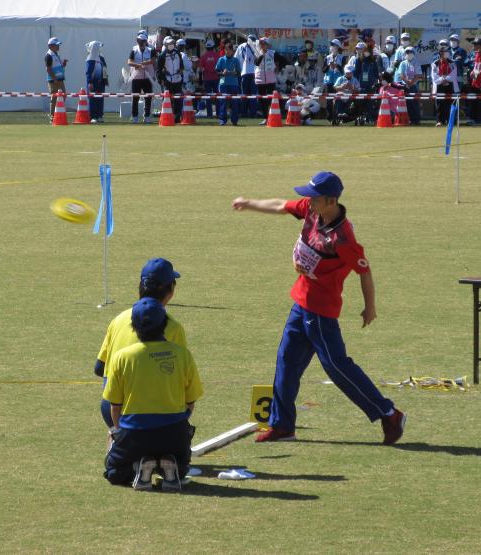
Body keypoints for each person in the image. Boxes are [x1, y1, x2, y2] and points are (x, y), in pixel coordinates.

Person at [231, 172, 406, 445]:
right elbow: (280, 205)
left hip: (322, 311)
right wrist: (248, 202)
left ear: (331, 200)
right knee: (285, 363)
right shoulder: (311, 211)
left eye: (314, 197)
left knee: (337, 366)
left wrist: (369, 307)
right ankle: (283, 425)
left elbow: (364, 271)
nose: (307, 201)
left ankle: (388, 413)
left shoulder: (343, 238)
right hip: (300, 303)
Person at [103, 297, 203, 490]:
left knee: (113, 471)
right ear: (165, 324)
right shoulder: (182, 354)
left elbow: (114, 407)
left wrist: (118, 432)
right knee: (182, 466)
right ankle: (169, 465)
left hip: (135, 433)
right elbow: (191, 402)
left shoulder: (122, 357)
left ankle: (140, 464)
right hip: (175, 432)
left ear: (133, 326)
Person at [95, 259, 187, 442]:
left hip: (111, 409)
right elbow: (182, 378)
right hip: (151, 415)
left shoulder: (118, 320)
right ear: (170, 291)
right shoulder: (174, 328)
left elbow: (99, 368)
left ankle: (117, 445)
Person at [254, 37, 287, 125]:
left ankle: (272, 116)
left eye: (264, 44)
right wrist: (262, 55)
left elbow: (284, 60)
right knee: (261, 100)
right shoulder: (257, 52)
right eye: (261, 44)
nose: (262, 45)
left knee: (269, 99)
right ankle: (265, 118)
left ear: (267, 45)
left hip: (270, 80)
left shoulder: (273, 53)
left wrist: (279, 68)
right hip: (259, 80)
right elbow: (256, 63)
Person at [347, 42, 382, 124]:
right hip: (361, 86)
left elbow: (376, 74)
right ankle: (361, 117)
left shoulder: (373, 61)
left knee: (370, 103)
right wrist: (355, 85)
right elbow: (356, 73)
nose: (367, 53)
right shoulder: (359, 60)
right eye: (365, 51)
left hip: (371, 86)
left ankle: (369, 118)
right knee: (360, 102)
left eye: (368, 51)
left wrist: (377, 82)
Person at [128, 30, 156, 124]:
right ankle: (135, 117)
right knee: (135, 98)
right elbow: (129, 62)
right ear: (137, 41)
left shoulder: (151, 50)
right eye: (139, 40)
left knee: (148, 98)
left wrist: (144, 63)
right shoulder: (134, 50)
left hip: (148, 77)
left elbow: (153, 60)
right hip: (136, 77)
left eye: (143, 41)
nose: (141, 42)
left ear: (146, 41)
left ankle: (147, 116)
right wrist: (139, 65)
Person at [157, 36, 184, 123]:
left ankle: (177, 117)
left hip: (178, 79)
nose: (171, 46)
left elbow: (182, 65)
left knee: (178, 99)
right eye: (169, 44)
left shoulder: (178, 53)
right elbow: (159, 70)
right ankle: (167, 117)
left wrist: (181, 70)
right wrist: (161, 79)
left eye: (172, 44)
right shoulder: (162, 55)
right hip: (168, 80)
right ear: (165, 45)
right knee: (168, 100)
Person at [431, 46, 459, 126]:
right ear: (440, 53)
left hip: (450, 85)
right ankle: (440, 120)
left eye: (447, 51)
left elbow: (454, 74)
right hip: (439, 85)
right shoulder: (435, 64)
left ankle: (450, 120)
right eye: (445, 52)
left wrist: (446, 79)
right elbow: (434, 76)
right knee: (440, 103)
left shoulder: (452, 62)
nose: (447, 53)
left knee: (450, 103)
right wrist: (442, 80)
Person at [215, 41, 241, 126]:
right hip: (223, 84)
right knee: (223, 102)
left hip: (234, 84)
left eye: (229, 50)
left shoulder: (236, 60)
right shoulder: (221, 59)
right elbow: (217, 71)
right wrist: (222, 73)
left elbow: (239, 73)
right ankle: (222, 120)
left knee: (235, 103)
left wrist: (235, 73)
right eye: (226, 50)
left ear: (232, 51)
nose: (228, 51)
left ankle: (235, 120)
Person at [394, 46, 422, 125]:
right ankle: (407, 120)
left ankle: (415, 120)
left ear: (414, 53)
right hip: (404, 86)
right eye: (407, 53)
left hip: (414, 86)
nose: (408, 54)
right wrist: (407, 82)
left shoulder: (416, 63)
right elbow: (401, 74)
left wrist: (411, 83)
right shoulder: (403, 63)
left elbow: (418, 75)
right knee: (406, 103)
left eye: (410, 52)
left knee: (414, 103)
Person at [235, 34, 258, 118]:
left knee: (245, 94)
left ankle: (245, 113)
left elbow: (236, 59)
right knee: (252, 95)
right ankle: (252, 114)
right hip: (252, 73)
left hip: (244, 73)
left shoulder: (241, 46)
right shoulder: (256, 47)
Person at [84, 41, 107, 124]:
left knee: (100, 99)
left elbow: (104, 68)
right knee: (92, 99)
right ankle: (93, 116)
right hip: (93, 83)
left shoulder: (101, 58)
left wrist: (105, 79)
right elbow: (88, 72)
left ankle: (100, 115)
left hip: (101, 82)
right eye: (98, 46)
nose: (100, 48)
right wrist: (89, 82)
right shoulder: (90, 59)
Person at [45, 37, 67, 118]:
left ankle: (58, 113)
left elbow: (59, 67)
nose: (58, 46)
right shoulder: (49, 56)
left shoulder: (56, 54)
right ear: (50, 46)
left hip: (60, 80)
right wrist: (54, 79)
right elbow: (48, 69)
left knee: (63, 96)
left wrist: (63, 64)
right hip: (53, 81)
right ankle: (52, 116)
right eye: (56, 45)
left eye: (58, 45)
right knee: (54, 98)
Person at [198, 39, 219, 118]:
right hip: (216, 79)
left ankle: (209, 114)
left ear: (206, 47)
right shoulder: (217, 56)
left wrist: (200, 79)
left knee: (208, 97)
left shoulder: (203, 57)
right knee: (217, 96)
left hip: (207, 79)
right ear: (213, 47)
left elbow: (200, 69)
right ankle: (218, 113)